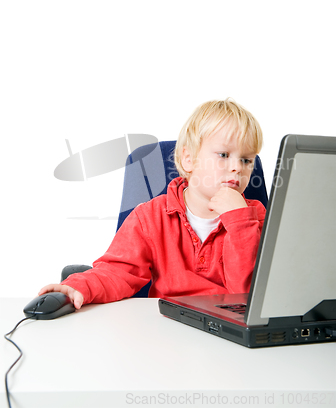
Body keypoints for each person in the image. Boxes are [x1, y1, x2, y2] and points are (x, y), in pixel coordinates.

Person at [39, 99, 266, 309]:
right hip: (167, 328)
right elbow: (117, 272)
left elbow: (249, 297)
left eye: (246, 159)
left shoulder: (256, 218)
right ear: (188, 159)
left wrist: (239, 222)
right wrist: (79, 286)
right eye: (224, 154)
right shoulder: (150, 216)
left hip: (227, 329)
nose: (238, 167)